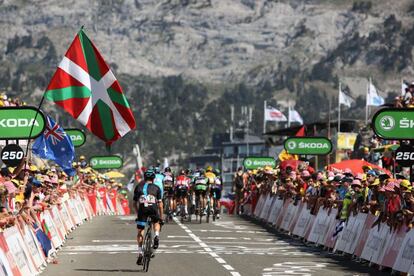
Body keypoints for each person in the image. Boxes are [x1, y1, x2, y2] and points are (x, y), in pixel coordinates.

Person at [133, 169, 163, 265]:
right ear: (153, 179)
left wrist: (138, 214)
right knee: (156, 222)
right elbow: (160, 205)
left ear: (144, 178)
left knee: (140, 231)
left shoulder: (138, 187)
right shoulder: (157, 188)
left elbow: (134, 203)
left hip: (142, 211)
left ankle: (140, 252)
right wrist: (161, 217)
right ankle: (156, 235)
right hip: (153, 209)